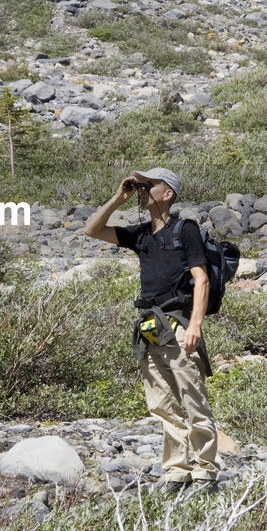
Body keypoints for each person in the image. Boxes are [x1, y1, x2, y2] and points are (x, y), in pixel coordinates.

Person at [83, 167, 218, 491]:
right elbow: (92, 229)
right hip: (149, 325)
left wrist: (195, 325)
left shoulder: (184, 229)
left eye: (149, 185)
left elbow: (202, 279)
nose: (142, 190)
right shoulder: (140, 234)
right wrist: (120, 196)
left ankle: (205, 472)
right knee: (162, 403)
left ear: (167, 193)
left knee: (192, 398)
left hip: (179, 324)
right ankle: (177, 471)